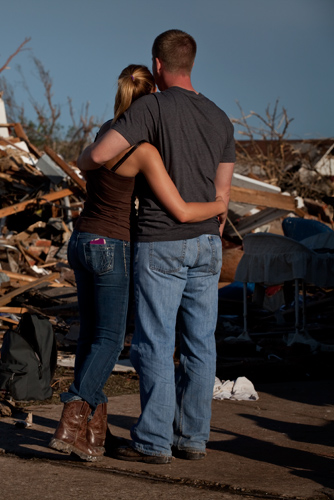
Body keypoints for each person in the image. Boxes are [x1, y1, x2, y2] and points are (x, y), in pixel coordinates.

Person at [48, 63, 226, 462]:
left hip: (81, 241)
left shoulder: (102, 136)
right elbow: (178, 208)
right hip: (112, 245)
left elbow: (84, 160)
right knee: (111, 340)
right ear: (149, 105)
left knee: (90, 337)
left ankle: (94, 431)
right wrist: (218, 204)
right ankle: (72, 418)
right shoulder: (144, 151)